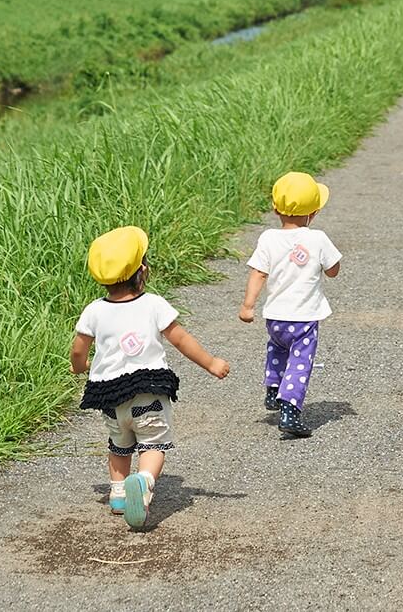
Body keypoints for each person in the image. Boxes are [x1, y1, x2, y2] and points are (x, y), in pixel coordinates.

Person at [71, 226, 230, 529]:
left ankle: (118, 495)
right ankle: (143, 482)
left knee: (118, 445)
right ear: (142, 270)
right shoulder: (154, 304)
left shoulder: (94, 311)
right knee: (153, 445)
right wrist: (211, 363)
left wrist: (79, 367)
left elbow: (78, 349)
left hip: (110, 397)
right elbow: (181, 339)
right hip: (149, 392)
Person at [238, 172, 342, 439]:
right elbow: (333, 271)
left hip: (275, 317)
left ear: (275, 208)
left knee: (277, 348)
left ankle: (273, 387)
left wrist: (248, 305)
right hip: (304, 319)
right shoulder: (318, 239)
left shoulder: (268, 238)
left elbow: (258, 273)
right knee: (300, 362)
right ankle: (290, 410)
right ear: (314, 212)